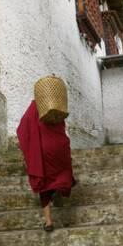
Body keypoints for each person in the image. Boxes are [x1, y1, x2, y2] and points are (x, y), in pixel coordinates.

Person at [16, 99, 76, 232]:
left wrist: (27, 147)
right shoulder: (56, 105)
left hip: (43, 149)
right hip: (60, 146)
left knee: (44, 184)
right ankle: (59, 189)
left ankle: (48, 222)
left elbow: (22, 129)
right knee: (63, 171)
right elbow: (63, 126)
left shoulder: (34, 106)